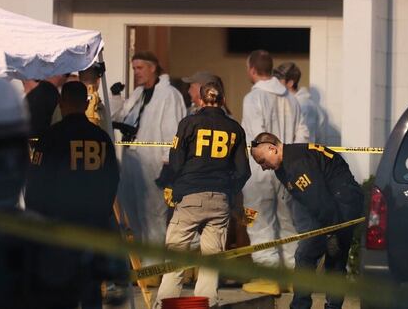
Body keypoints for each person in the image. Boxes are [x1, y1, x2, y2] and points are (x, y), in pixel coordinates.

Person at [152, 81, 251, 308]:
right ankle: (207, 304)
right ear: (223, 100)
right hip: (220, 201)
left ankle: (163, 305)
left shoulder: (188, 123)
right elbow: (244, 171)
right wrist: (228, 190)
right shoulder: (235, 129)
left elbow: (175, 162)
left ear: (200, 100)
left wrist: (176, 186)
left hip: (190, 197)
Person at [25, 81, 120, 309]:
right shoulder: (101, 138)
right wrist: (102, 212)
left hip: (58, 224)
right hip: (93, 223)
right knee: (90, 288)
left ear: (61, 102)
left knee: (59, 288)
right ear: (87, 103)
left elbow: (36, 183)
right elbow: (112, 178)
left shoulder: (51, 138)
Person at [250, 132, 364, 309]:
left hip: (340, 205)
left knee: (308, 256)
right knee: (333, 261)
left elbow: (319, 201)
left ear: (272, 148)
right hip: (340, 202)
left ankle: (300, 306)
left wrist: (332, 232)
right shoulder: (288, 161)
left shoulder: (296, 164)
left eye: (262, 161)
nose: (263, 168)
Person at [110, 51, 186, 277]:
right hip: (132, 160)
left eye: (139, 68)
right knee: (132, 212)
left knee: (154, 215)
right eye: (133, 68)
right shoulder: (137, 94)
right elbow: (118, 116)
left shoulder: (169, 95)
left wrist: (168, 162)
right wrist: (115, 97)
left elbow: (174, 130)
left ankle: (153, 267)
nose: (136, 73)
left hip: (154, 162)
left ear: (153, 67)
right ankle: (142, 265)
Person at [240, 49, 309, 295]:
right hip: (287, 167)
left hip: (261, 171)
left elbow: (258, 136)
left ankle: (268, 277)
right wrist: (288, 159)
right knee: (289, 222)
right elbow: (302, 133)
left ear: (251, 69)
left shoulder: (253, 99)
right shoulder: (291, 99)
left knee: (259, 222)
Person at [273, 62, 327, 143]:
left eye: (279, 82)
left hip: (300, 154)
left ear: (290, 83)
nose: (275, 85)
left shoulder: (305, 106)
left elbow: (307, 140)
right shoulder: (284, 102)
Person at [26, 74, 69, 139]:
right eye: (67, 75)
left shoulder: (32, 94)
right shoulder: (54, 95)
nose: (66, 80)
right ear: (61, 74)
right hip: (47, 141)